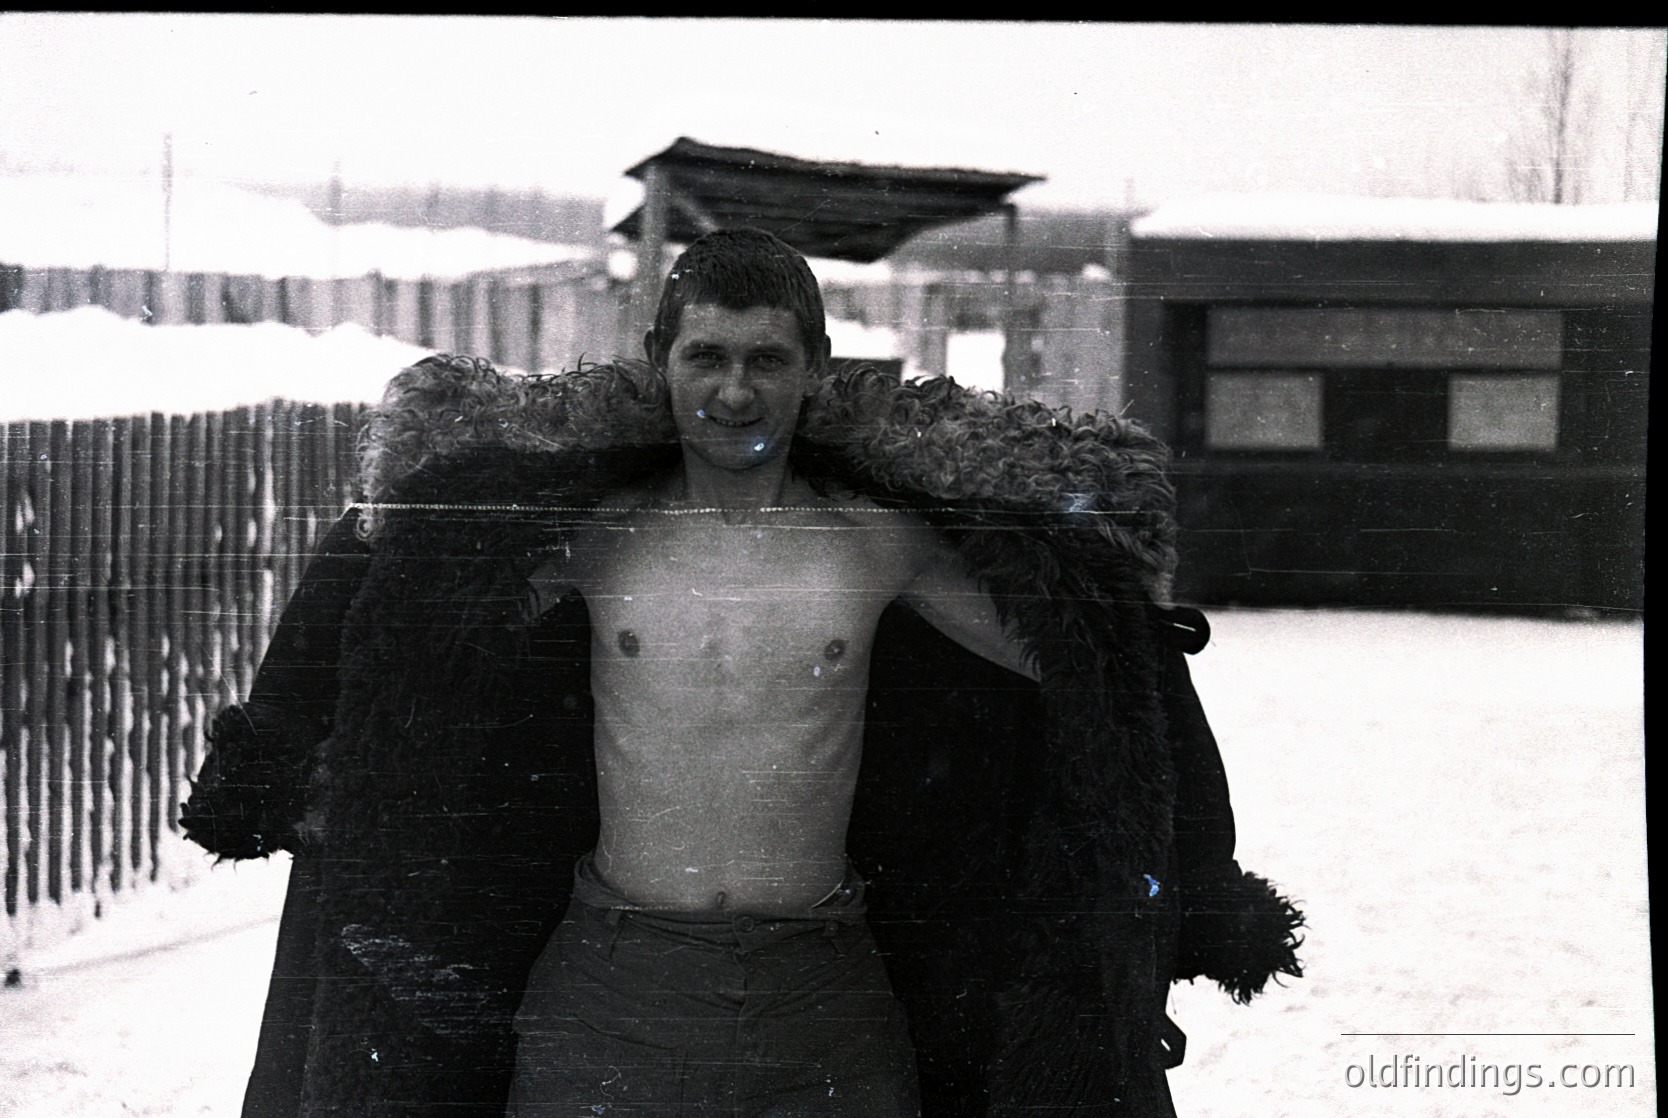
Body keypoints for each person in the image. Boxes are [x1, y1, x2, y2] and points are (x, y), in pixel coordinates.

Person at [182, 228, 1303, 1118]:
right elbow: (408, 601)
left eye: (766, 358)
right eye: (705, 356)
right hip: (614, 987)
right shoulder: (598, 537)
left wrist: (1115, 571)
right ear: (659, 364)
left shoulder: (874, 542)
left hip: (824, 991)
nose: (733, 390)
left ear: (814, 370)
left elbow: (1080, 660)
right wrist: (285, 736)